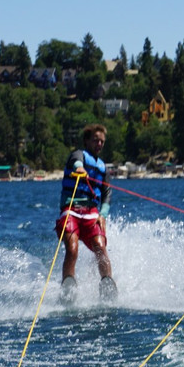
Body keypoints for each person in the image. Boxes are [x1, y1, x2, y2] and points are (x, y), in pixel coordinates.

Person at [55, 123, 116, 299]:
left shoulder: (103, 167)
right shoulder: (78, 155)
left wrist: (102, 215)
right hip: (72, 209)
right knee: (72, 248)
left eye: (102, 141)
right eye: (96, 140)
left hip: (91, 212)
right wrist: (79, 169)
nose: (99, 144)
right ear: (87, 141)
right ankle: (68, 285)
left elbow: (106, 193)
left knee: (100, 247)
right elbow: (76, 162)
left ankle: (107, 283)